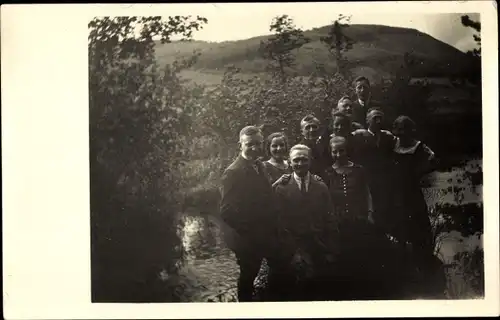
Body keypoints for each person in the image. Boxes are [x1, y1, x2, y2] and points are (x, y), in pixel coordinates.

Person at [218, 125, 288, 301]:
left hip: (268, 234)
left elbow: (266, 197)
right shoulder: (233, 172)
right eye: (250, 144)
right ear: (240, 145)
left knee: (281, 267)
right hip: (248, 239)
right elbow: (226, 212)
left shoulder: (259, 165)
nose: (255, 148)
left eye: (258, 143)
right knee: (248, 277)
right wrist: (251, 232)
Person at [273, 144, 334, 299]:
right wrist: (293, 252)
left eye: (304, 160)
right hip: (294, 248)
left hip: (319, 245)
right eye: (296, 160)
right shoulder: (282, 188)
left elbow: (330, 219)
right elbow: (280, 224)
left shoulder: (321, 186)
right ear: (290, 162)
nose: (300, 164)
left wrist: (331, 249)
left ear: (310, 161)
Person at [391, 116, 436, 261]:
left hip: (412, 188)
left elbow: (432, 159)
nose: (402, 136)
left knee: (417, 216)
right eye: (399, 132)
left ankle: (422, 252)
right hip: (397, 188)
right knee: (400, 217)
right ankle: (404, 251)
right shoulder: (394, 143)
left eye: (405, 132)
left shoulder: (418, 146)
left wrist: (419, 173)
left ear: (410, 132)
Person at [352, 108, 397, 238]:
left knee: (386, 208)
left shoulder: (387, 137)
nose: (378, 121)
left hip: (385, 180)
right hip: (367, 179)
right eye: (374, 118)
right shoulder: (359, 136)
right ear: (367, 120)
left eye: (380, 118)